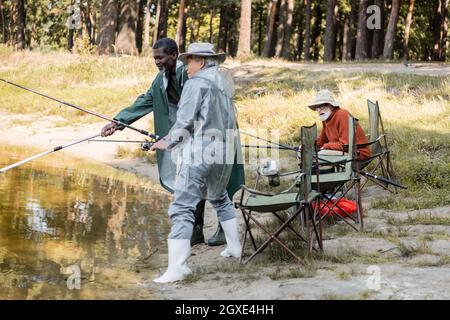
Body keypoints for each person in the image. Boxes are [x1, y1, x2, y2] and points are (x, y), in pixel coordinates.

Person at [100, 38, 244, 248]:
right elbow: (145, 100)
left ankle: (223, 232)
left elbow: (204, 107)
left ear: (175, 56)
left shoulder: (193, 75)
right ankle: (196, 230)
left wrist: (173, 139)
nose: (157, 62)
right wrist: (118, 122)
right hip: (192, 135)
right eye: (154, 58)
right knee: (194, 181)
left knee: (222, 181)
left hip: (217, 131)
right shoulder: (161, 80)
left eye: (160, 57)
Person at [150, 42, 243, 283]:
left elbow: (185, 123)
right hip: (224, 151)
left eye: (189, 61)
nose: (186, 67)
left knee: (181, 207)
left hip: (200, 153)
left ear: (201, 61)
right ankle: (235, 248)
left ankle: (177, 268)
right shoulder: (223, 84)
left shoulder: (195, 84)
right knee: (220, 196)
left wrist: (166, 142)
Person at [307, 89, 371, 160]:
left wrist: (326, 146)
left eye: (322, 106)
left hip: (357, 153)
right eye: (317, 107)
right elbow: (322, 140)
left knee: (318, 156)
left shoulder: (342, 115)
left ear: (331, 106)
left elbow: (346, 145)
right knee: (309, 153)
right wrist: (309, 146)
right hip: (344, 151)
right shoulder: (326, 118)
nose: (319, 110)